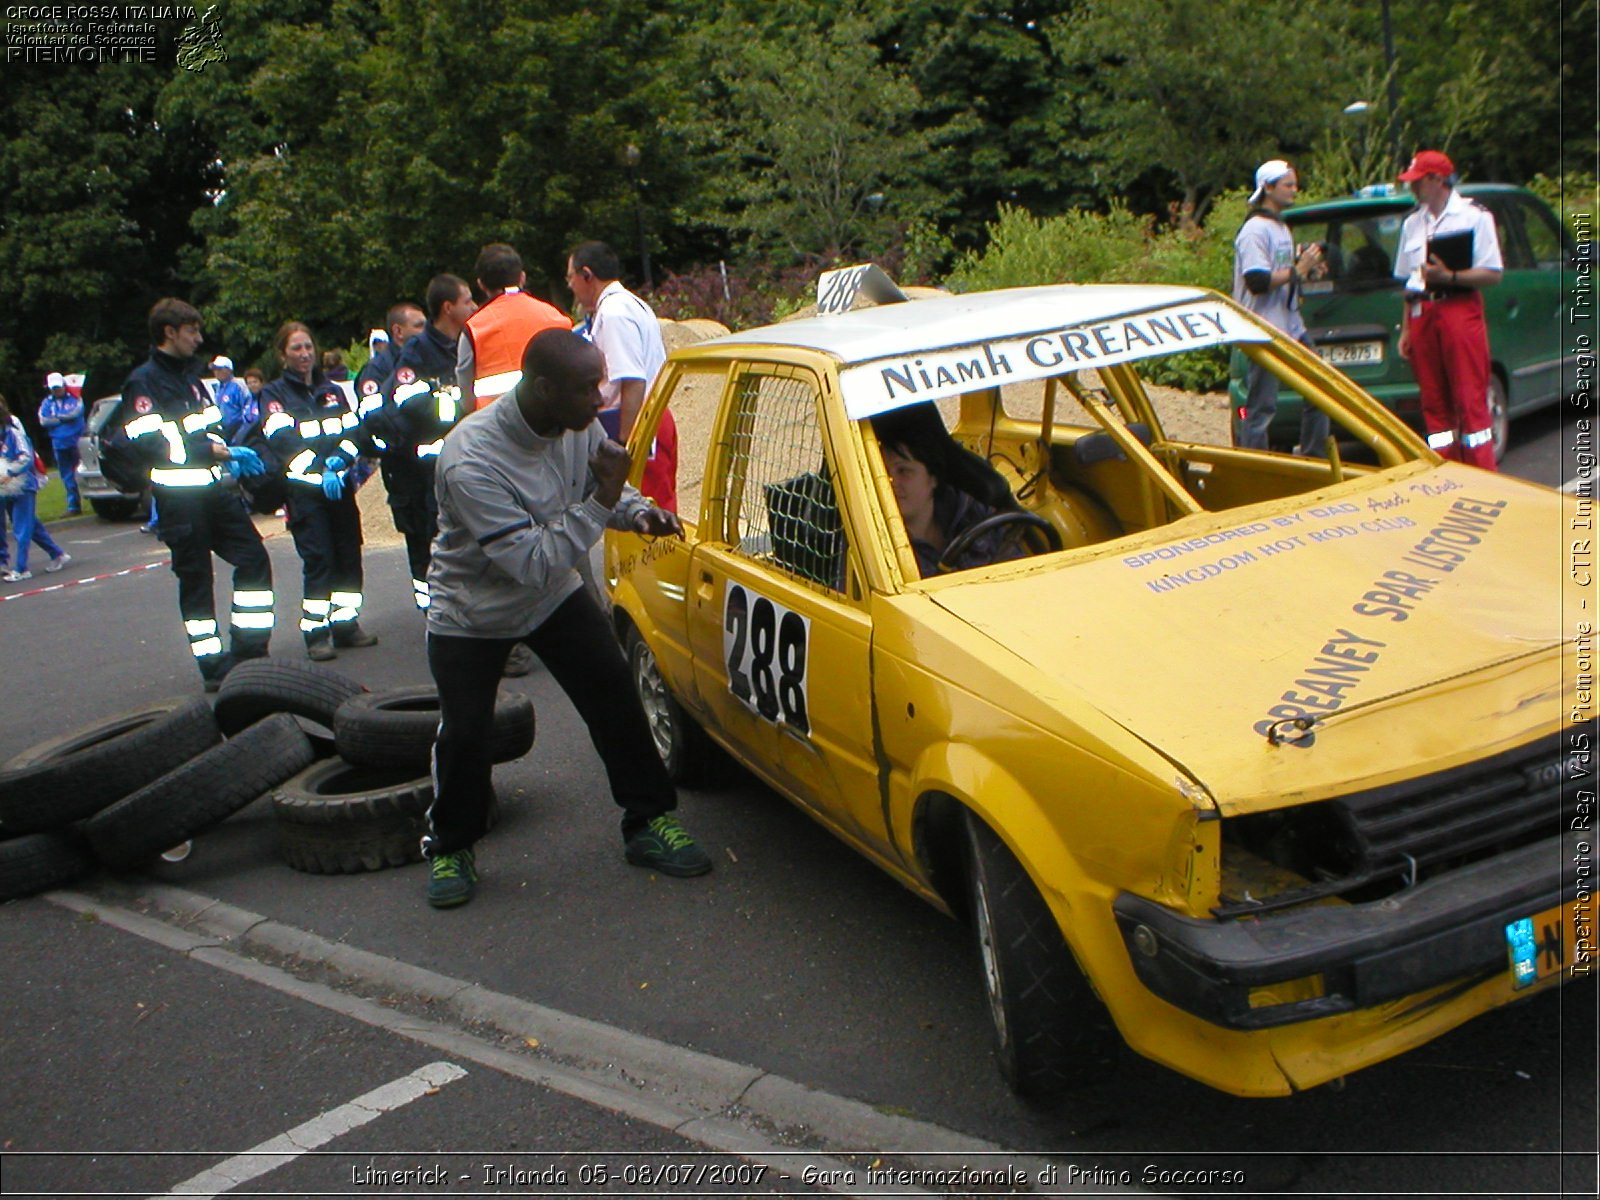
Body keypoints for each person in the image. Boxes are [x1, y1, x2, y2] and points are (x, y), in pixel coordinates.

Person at [421, 328, 710, 908]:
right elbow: (533, 559)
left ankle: (648, 822)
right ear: (544, 388)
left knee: (613, 694)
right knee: (466, 734)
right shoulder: (470, 459)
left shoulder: (572, 426)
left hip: (551, 595)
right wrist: (606, 501)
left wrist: (637, 511)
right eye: (587, 388)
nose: (601, 396)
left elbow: (592, 491)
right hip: (472, 612)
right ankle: (452, 844)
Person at [116, 298, 274, 690]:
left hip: (213, 491)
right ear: (170, 333)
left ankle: (249, 650)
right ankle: (212, 665)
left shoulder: (189, 377)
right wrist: (211, 451)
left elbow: (209, 423)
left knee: (253, 559)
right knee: (197, 581)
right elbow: (149, 442)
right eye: (192, 331)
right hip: (178, 499)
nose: (199, 339)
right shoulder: (144, 382)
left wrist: (225, 450)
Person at [253, 321, 375, 661]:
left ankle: (346, 624)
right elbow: (282, 442)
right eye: (296, 348)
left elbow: (355, 432)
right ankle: (316, 632)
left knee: (348, 555)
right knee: (319, 559)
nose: (304, 354)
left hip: (339, 488)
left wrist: (340, 459)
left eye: (308, 347)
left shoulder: (331, 390)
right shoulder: (274, 395)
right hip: (304, 492)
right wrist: (320, 468)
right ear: (282, 355)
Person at [354, 277, 476, 612]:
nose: (475, 307)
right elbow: (408, 406)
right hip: (418, 471)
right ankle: (436, 610)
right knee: (426, 544)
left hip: (462, 463)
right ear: (448, 307)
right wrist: (462, 407)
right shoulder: (410, 357)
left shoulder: (467, 343)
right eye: (468, 301)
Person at [1393, 149, 1503, 470]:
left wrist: (1450, 276)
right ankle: (1445, 470)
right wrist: (1407, 327)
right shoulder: (1412, 223)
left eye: (1417, 181)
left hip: (1458, 306)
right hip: (1422, 312)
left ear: (1437, 179)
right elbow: (1409, 280)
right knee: (1433, 400)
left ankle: (1482, 472)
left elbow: (1492, 273)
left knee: (1469, 398)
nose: (1412, 188)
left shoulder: (1474, 216)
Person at [565, 241, 678, 511]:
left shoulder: (614, 314)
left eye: (570, 277)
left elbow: (632, 380)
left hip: (636, 422)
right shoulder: (625, 305)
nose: (569, 286)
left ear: (587, 275)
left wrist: (625, 445)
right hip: (646, 419)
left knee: (646, 516)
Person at [1232, 159, 1331, 455]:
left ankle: (1314, 456)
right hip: (1263, 328)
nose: (1294, 190)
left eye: (1294, 184)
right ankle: (1255, 464)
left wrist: (1309, 269)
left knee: (1321, 388)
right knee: (1262, 406)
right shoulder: (1254, 231)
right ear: (1268, 187)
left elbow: (1284, 271)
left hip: (1290, 324)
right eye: (1288, 185)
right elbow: (1257, 281)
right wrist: (1298, 271)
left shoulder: (1281, 227)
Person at [871, 406, 1028, 577]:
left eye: (903, 471)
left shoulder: (974, 512)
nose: (891, 483)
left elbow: (1022, 571)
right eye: (883, 472)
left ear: (933, 478)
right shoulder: (879, 554)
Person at [457, 242, 571, 408]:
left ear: (481, 284)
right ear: (522, 277)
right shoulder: (556, 317)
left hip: (495, 425)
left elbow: (465, 392)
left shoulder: (474, 329)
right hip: (553, 420)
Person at [0, 394, 69, 582]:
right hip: (5, 488)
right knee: (31, 526)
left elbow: (26, 457)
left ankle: (22, 569)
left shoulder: (13, 432)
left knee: (22, 528)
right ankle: (58, 554)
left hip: (23, 485)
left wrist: (11, 472)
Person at [37, 371, 85, 515]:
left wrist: (56, 419)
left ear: (64, 385)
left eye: (58, 387)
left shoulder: (75, 398)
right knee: (66, 475)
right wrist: (62, 419)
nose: (57, 391)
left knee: (81, 472)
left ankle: (93, 499)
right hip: (58, 443)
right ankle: (73, 505)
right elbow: (43, 420)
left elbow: (75, 413)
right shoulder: (47, 402)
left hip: (76, 441)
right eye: (53, 388)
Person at [212, 356, 255, 443]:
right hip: (223, 429)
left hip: (237, 428)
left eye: (220, 369)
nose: (216, 372)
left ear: (229, 370)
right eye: (215, 369)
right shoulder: (218, 387)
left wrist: (241, 433)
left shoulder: (238, 385)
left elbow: (248, 408)